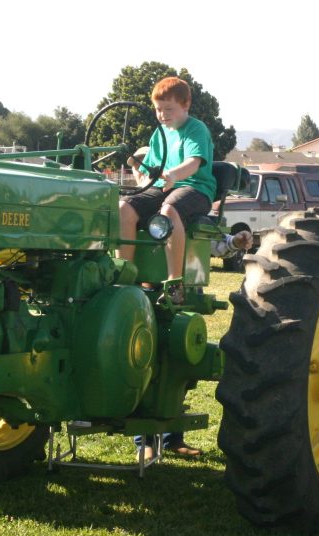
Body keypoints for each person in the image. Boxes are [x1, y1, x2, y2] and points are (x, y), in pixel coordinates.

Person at [135, 228, 253, 461]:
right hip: (153, 294)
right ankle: (144, 441)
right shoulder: (153, 215)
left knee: (181, 367)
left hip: (186, 297)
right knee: (149, 366)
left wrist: (235, 242)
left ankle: (172, 439)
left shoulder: (191, 215)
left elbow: (212, 242)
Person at [119, 76, 217, 305]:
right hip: (164, 187)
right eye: (158, 109)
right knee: (123, 207)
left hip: (196, 188)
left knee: (169, 211)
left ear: (185, 105)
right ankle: (126, 277)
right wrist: (141, 176)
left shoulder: (195, 129)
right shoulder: (159, 134)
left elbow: (194, 162)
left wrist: (173, 175)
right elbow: (151, 171)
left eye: (168, 109)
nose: (162, 115)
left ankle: (175, 284)